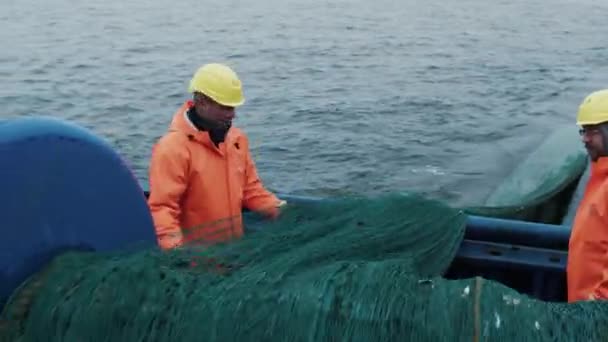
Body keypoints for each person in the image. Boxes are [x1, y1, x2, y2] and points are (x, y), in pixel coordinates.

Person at [147, 63, 286, 250]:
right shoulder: (172, 148)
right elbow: (162, 209)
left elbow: (251, 190)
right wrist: (176, 254)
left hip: (233, 255)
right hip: (195, 262)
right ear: (202, 101)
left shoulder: (237, 139)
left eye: (233, 107)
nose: (233, 114)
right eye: (226, 108)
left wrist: (281, 210)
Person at [567, 88, 608, 302]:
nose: (585, 139)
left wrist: (596, 311)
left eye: (593, 131)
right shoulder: (600, 179)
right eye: (583, 131)